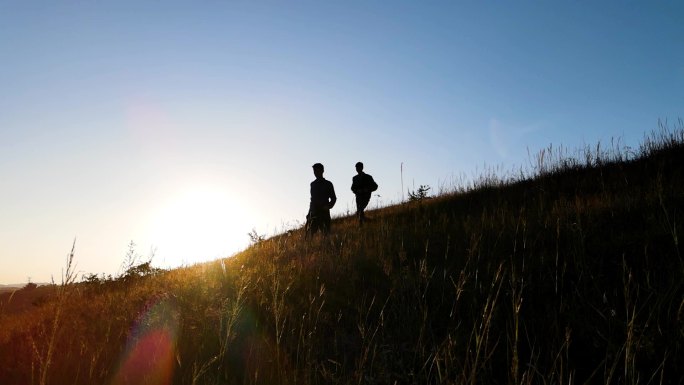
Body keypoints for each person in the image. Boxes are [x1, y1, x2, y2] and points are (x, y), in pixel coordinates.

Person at [306, 163, 337, 236]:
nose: (315, 173)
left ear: (322, 171)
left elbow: (333, 198)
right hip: (314, 213)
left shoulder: (328, 184)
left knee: (326, 235)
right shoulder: (312, 184)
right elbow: (312, 200)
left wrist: (328, 206)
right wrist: (309, 213)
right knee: (309, 235)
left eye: (317, 171)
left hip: (324, 212)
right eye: (314, 171)